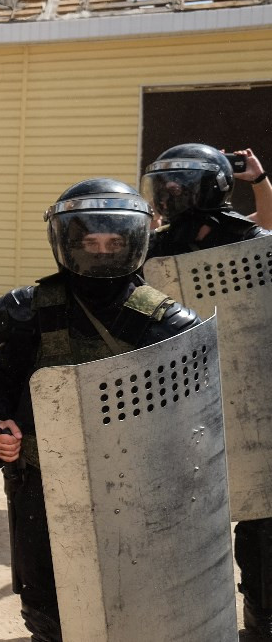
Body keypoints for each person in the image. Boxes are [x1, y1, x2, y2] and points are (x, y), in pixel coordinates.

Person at [0, 178, 199, 641]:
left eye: (114, 242)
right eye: (89, 242)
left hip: (133, 491)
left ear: (134, 242)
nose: (101, 252)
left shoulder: (166, 323)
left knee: (129, 597)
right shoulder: (30, 311)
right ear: (68, 242)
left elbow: (192, 424)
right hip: (41, 485)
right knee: (46, 600)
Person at [141, 144, 272, 637]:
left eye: (182, 183)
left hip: (250, 398)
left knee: (262, 522)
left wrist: (259, 181)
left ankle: (263, 620)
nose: (171, 191)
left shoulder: (249, 240)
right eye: (165, 183)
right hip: (176, 401)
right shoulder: (149, 248)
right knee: (183, 520)